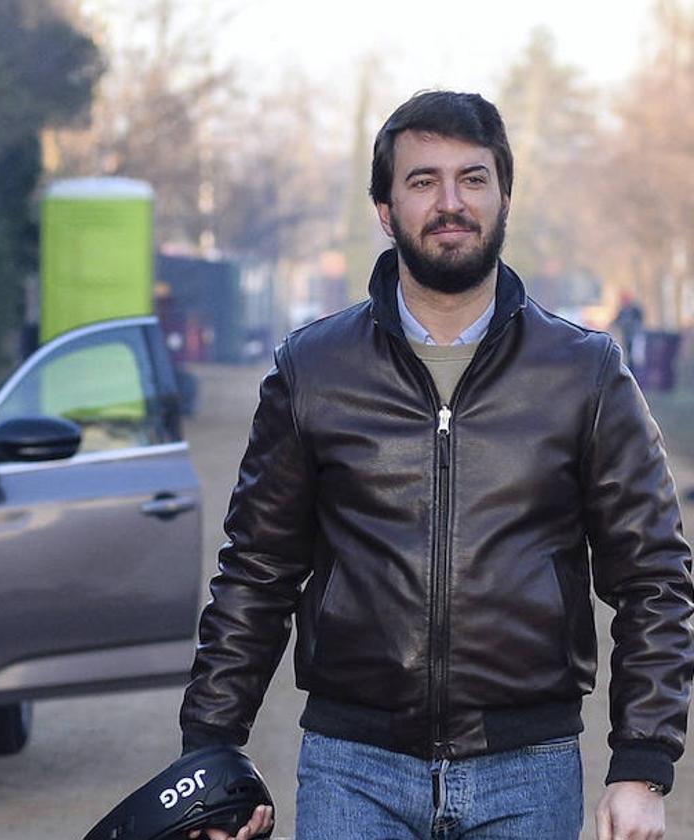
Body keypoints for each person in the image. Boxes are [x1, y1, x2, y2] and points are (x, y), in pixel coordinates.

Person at [181, 91, 694, 840]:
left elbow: (654, 574)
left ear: (504, 195)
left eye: (473, 178)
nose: (450, 202)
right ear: (385, 210)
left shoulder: (584, 372)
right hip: (351, 770)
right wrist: (209, 752)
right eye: (423, 181)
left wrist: (642, 764)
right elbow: (258, 568)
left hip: (530, 769)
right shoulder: (313, 369)